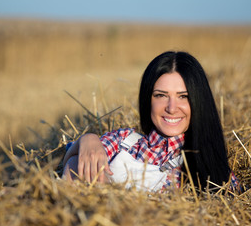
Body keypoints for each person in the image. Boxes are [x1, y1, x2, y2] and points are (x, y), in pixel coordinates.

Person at [62, 51, 239, 192]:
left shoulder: (214, 171)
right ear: (148, 99)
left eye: (183, 97)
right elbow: (69, 159)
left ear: (199, 102)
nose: (171, 107)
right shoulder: (124, 141)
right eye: (161, 95)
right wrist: (89, 139)